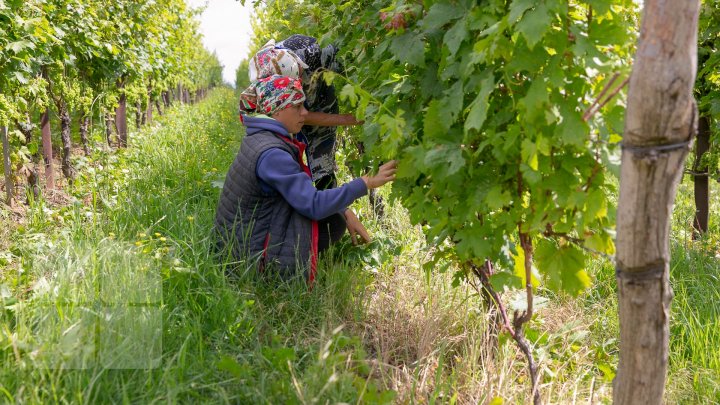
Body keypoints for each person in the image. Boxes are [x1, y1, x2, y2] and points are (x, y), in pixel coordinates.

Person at [215, 75, 396, 283]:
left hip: (237, 249)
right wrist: (365, 183)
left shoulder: (261, 137)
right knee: (329, 220)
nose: (305, 113)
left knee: (334, 215)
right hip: (248, 262)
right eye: (297, 106)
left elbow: (301, 192)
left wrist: (344, 210)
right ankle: (272, 279)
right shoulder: (273, 154)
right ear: (277, 109)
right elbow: (313, 204)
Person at [248, 37, 372, 245]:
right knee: (293, 171)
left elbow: (351, 56)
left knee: (322, 168)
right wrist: (347, 120)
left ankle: (336, 213)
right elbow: (302, 115)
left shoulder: (312, 54)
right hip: (293, 116)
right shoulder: (264, 79)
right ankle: (331, 215)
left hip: (320, 104)